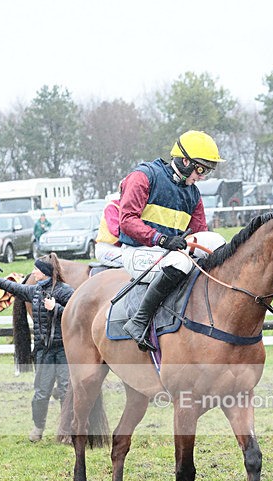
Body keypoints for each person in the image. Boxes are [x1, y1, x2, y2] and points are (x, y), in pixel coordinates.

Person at [119, 130, 224, 351]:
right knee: (180, 262)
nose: (202, 176)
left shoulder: (193, 194)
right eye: (200, 169)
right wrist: (161, 239)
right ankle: (138, 322)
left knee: (216, 240)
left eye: (207, 171)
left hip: (169, 252)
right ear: (185, 161)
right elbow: (127, 220)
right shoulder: (144, 176)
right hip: (137, 252)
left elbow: (200, 232)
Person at [0, 254, 75, 442]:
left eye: (36, 269)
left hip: (63, 350)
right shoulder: (35, 291)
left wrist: (55, 308)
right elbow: (16, 288)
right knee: (41, 392)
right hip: (42, 351)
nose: (33, 272)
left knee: (65, 390)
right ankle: (38, 427)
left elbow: (75, 317)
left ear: (45, 273)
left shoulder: (66, 292)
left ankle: (67, 431)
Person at [94, 190, 123, 267]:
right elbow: (116, 231)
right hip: (107, 249)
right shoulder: (112, 206)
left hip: (120, 248)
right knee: (133, 261)